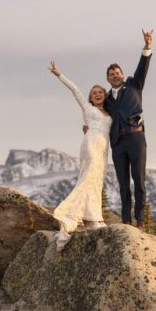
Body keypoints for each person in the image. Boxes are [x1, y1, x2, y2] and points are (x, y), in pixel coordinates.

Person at [48, 60, 112, 250]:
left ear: (104, 96)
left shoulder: (110, 113)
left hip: (103, 150)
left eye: (100, 92)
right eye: (94, 93)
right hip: (91, 145)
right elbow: (75, 89)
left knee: (96, 181)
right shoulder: (88, 108)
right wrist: (59, 74)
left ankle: (93, 218)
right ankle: (67, 214)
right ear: (91, 98)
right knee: (88, 179)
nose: (97, 95)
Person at [103, 29, 154, 228]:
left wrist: (147, 47)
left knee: (139, 180)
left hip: (136, 138)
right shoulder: (106, 99)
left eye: (117, 73)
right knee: (123, 184)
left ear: (122, 75)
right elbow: (99, 117)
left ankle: (140, 221)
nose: (115, 76)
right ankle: (126, 221)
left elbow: (143, 67)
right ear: (108, 79)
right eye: (111, 74)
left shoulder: (134, 85)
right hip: (117, 143)